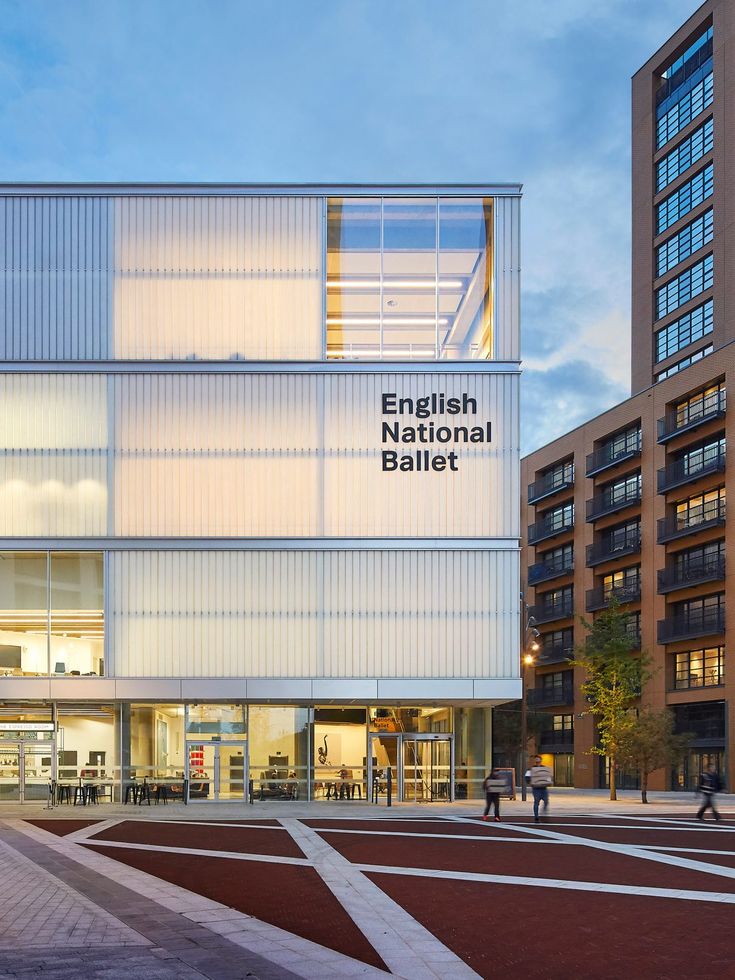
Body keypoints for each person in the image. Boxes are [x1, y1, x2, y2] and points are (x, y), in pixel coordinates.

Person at [529, 756, 553, 822]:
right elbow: (527, 777)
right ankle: (536, 817)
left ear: (541, 760)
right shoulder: (532, 769)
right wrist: (530, 782)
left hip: (544, 788)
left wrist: (549, 781)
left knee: (546, 801)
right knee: (536, 802)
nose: (537, 761)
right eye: (536, 760)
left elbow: (548, 776)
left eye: (538, 760)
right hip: (536, 788)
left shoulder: (544, 768)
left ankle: (543, 813)